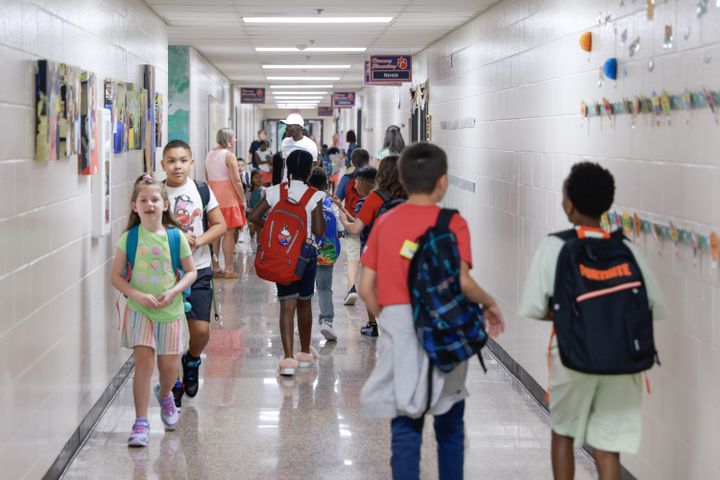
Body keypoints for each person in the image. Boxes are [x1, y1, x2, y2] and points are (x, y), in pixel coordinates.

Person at [358, 142, 505, 479]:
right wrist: (490, 302)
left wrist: (392, 318)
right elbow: (463, 281)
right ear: (443, 182)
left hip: (398, 328)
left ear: (403, 181)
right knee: (451, 428)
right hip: (445, 331)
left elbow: (367, 288)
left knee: (406, 428)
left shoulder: (385, 222)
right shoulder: (453, 223)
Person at [519, 162, 667, 480]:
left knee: (564, 433)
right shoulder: (625, 249)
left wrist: (570, 313)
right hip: (621, 361)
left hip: (572, 355)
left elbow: (534, 306)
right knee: (608, 446)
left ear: (568, 203)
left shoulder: (555, 246)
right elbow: (654, 304)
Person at [110, 174, 198, 447]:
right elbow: (116, 277)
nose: (150, 204)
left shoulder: (176, 237)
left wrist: (173, 291)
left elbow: (191, 272)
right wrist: (137, 295)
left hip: (170, 312)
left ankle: (166, 394)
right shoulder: (129, 238)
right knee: (144, 365)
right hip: (140, 310)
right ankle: (140, 422)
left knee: (168, 369)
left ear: (165, 204)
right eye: (143, 200)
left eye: (155, 199)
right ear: (134, 205)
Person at [161, 140, 227, 408]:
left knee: (200, 331)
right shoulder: (157, 191)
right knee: (171, 335)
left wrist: (198, 241)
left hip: (198, 270)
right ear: (163, 164)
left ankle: (192, 360)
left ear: (191, 163)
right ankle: (173, 385)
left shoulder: (201, 189)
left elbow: (220, 225)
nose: (177, 166)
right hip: (165, 274)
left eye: (183, 160)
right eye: (171, 161)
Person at [249, 150, 325, 377]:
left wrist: (275, 235)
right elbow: (319, 231)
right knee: (304, 303)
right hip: (305, 257)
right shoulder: (314, 195)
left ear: (287, 170)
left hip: (281, 257)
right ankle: (304, 353)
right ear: (310, 170)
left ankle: (288, 358)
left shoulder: (274, 192)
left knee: (286, 304)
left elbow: (253, 217)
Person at [338, 155, 407, 336]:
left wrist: (343, 221)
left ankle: (372, 324)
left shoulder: (376, 197)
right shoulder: (409, 195)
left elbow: (356, 229)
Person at [307, 167, 344, 342]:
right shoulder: (330, 204)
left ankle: (301, 322)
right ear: (325, 184)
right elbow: (341, 229)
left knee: (304, 287)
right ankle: (327, 321)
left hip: (307, 248)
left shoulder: (305, 202)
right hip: (328, 249)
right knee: (324, 287)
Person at [205, 128, 246, 279]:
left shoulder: (209, 155)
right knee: (229, 232)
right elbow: (236, 180)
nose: (235, 140)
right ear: (228, 140)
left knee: (215, 233)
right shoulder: (229, 156)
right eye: (234, 138)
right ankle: (228, 269)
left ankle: (215, 267)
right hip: (228, 197)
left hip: (212, 197)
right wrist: (242, 199)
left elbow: (207, 176)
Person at [334, 148, 370, 305]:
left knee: (353, 257)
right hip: (369, 224)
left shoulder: (347, 178)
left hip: (351, 222)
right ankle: (371, 290)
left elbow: (337, 198)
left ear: (352, 162)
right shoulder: (373, 177)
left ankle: (351, 289)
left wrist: (341, 219)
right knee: (369, 259)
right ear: (367, 160)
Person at [246, 169, 265, 250]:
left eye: (260, 177)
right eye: (256, 177)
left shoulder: (264, 190)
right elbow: (246, 203)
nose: (259, 179)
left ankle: (258, 247)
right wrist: (248, 210)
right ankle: (252, 240)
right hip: (252, 214)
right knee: (252, 230)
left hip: (261, 215)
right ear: (252, 179)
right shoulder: (249, 191)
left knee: (259, 231)